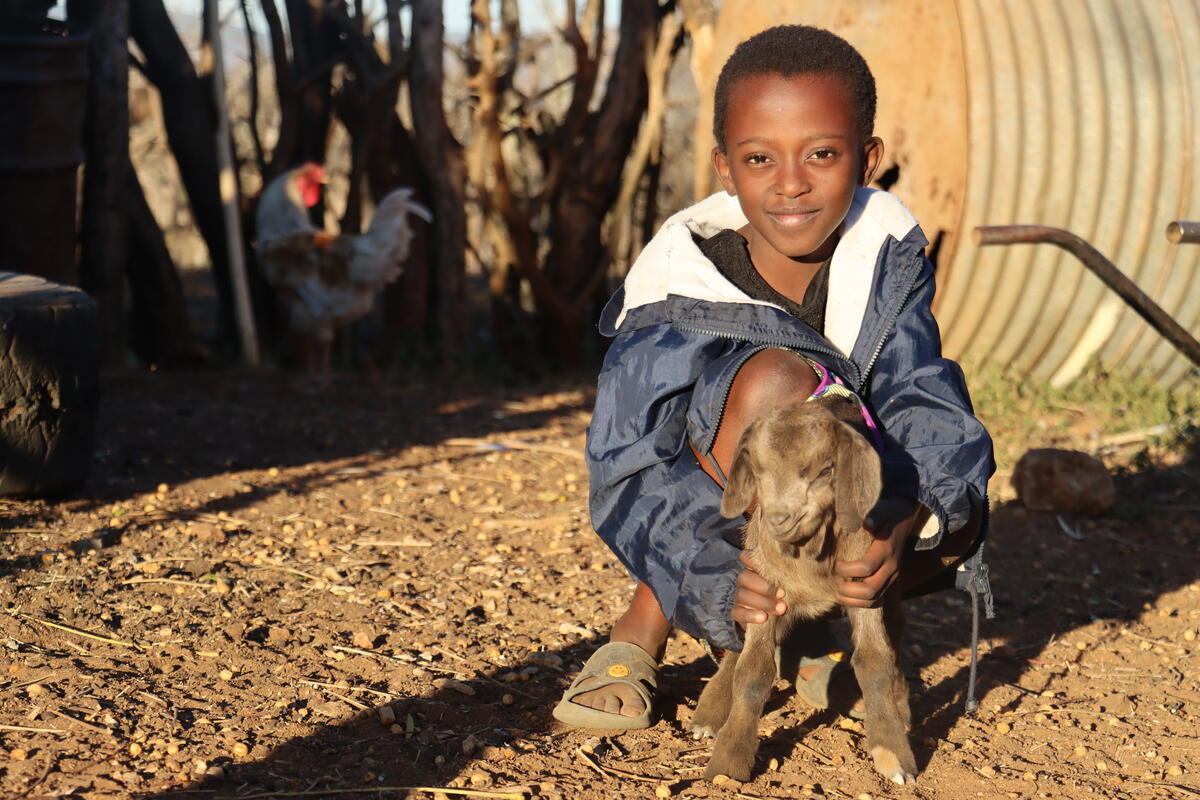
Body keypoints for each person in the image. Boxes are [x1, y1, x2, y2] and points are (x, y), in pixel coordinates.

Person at [552, 24, 995, 730]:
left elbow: (922, 396)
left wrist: (908, 515)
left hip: (831, 519)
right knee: (781, 390)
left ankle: (812, 631)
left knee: (934, 481)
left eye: (822, 153)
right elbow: (628, 467)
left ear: (867, 159)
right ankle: (643, 626)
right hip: (716, 525)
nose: (791, 183)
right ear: (726, 169)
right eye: (761, 158)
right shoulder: (678, 287)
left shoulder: (882, 259)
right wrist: (721, 578)